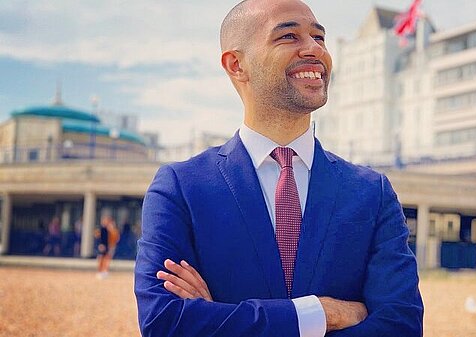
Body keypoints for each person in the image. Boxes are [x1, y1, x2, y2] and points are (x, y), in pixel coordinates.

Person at [134, 1, 423, 336]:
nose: (315, 49)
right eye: (289, 36)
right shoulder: (180, 188)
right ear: (236, 64)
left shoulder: (372, 193)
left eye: (319, 37)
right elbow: (164, 323)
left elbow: (401, 326)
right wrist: (321, 314)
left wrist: (219, 318)